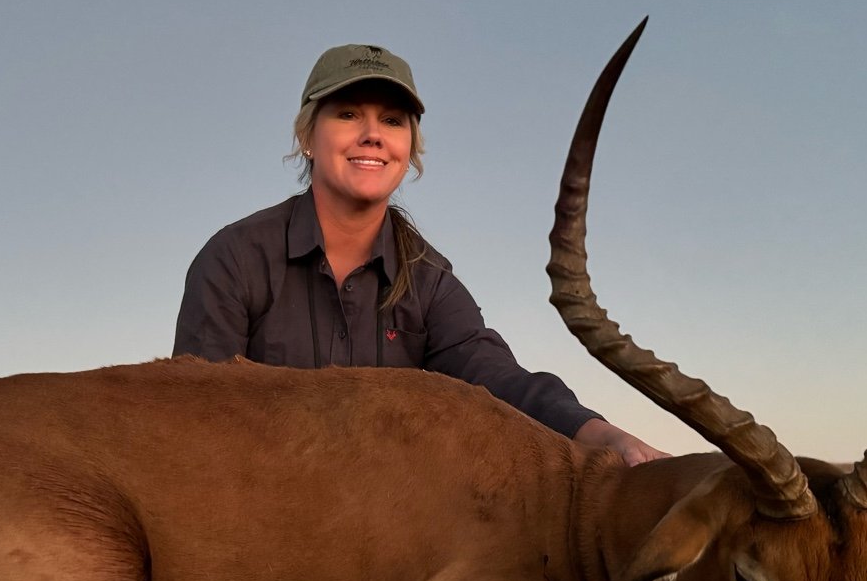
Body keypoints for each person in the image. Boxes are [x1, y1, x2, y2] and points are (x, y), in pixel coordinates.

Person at [172, 42, 665, 467]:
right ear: (307, 136)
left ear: (409, 149)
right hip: (249, 523)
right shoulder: (234, 258)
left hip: (385, 537)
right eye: (347, 114)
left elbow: (498, 378)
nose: (372, 134)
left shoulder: (428, 281)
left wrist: (603, 436)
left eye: (391, 120)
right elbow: (196, 416)